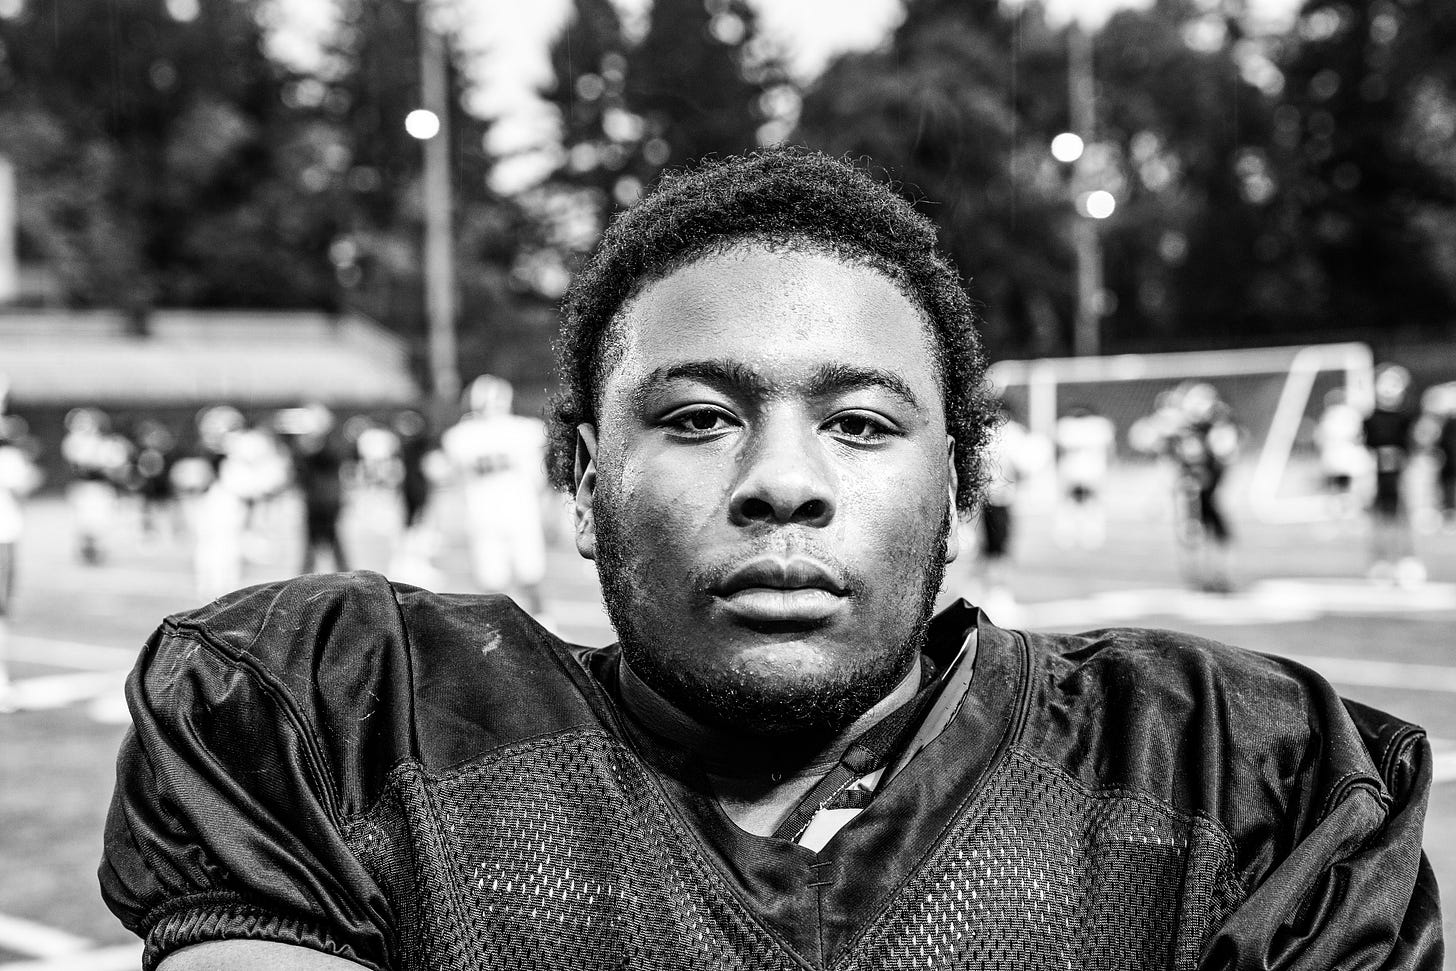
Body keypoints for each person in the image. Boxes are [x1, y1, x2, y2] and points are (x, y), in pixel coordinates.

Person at [100, 149, 1441, 970]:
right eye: (697, 417)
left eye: (860, 422)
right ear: (587, 485)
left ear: (958, 487)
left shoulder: (1224, 780)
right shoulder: (343, 724)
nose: (783, 479)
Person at [440, 374, 551, 616]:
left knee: (494, 584)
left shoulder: (461, 436)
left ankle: (499, 630)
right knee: (528, 575)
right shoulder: (526, 430)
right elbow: (539, 476)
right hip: (519, 510)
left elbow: (453, 476)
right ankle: (544, 623)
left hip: (484, 514)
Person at [1362, 363, 1424, 584]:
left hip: (1401, 476)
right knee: (1379, 521)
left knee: (1404, 519)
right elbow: (1366, 447)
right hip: (1377, 477)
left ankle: (1407, 562)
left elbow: (1414, 447)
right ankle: (1381, 565)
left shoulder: (1407, 418)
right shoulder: (1369, 419)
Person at [1053, 403, 1116, 549]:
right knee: (1094, 503)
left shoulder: (1065, 426)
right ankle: (1093, 534)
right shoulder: (1101, 426)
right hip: (1094, 470)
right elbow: (1110, 450)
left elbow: (1057, 449)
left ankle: (1065, 534)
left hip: (1070, 470)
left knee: (1067, 503)